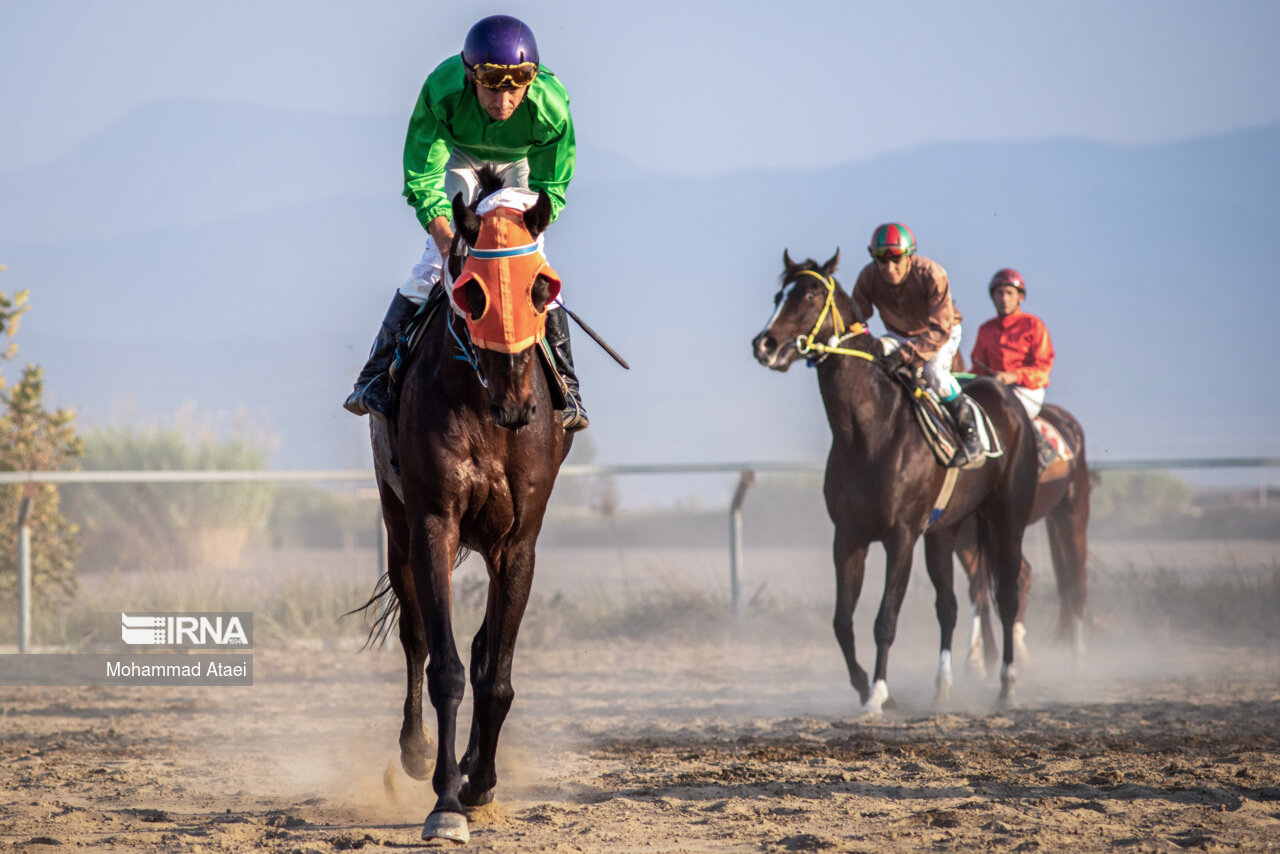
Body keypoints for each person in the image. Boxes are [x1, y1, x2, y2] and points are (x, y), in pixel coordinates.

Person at [344, 15, 587, 430]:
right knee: (434, 268)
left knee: (531, 269)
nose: (504, 101)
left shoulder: (550, 104)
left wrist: (523, 237)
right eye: (492, 86)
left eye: (515, 87)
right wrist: (443, 236)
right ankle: (375, 376)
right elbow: (421, 175)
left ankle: (568, 387)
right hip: (462, 159)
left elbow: (552, 188)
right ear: (471, 75)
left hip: (521, 168)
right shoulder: (442, 90)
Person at [851, 222, 981, 466]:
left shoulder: (932, 273)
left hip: (940, 332)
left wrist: (905, 355)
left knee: (935, 373)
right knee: (873, 361)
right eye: (881, 260)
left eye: (896, 260)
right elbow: (857, 318)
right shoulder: (868, 277)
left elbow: (940, 328)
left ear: (910, 256)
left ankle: (971, 436)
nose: (889, 268)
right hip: (899, 335)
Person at [971, 268, 1057, 466]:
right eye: (999, 293)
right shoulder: (985, 329)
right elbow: (977, 369)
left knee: (1008, 404)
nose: (1004, 298)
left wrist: (1013, 376)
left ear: (1020, 297)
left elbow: (1043, 370)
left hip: (1027, 390)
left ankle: (1041, 445)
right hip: (995, 388)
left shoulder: (1034, 326)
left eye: (1009, 293)